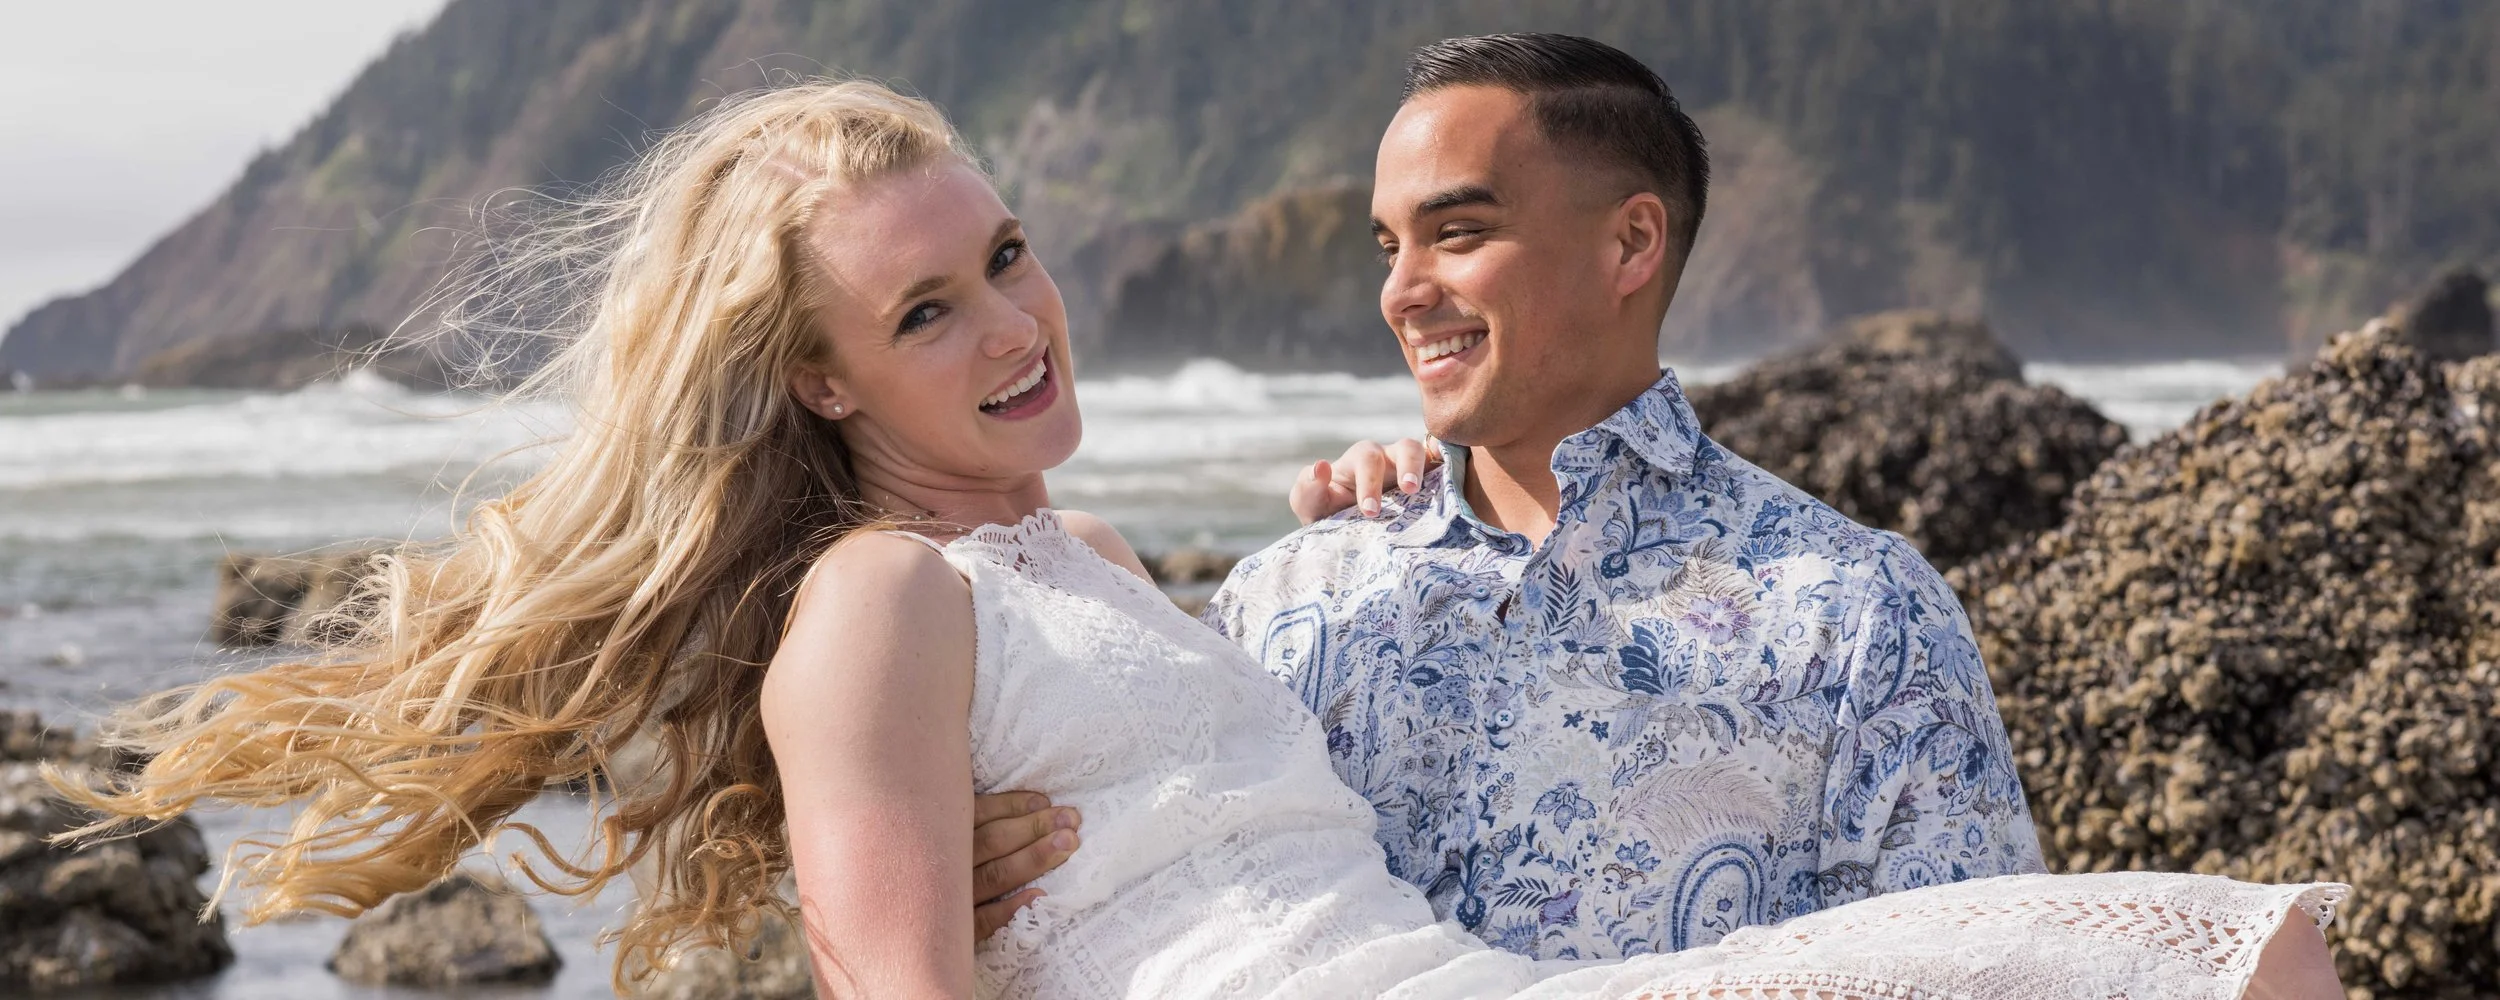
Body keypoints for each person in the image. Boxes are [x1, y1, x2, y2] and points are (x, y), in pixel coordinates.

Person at [57, 79, 2344, 999]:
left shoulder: (1113, 567)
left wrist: (1343, 523)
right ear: (820, 383)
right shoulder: (874, 597)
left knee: (2227, 955)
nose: (1013, 322)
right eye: (922, 311)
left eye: (1007, 254)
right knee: (2233, 959)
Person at [974, 32, 2051, 959]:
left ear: (1630, 242)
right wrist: (985, 886)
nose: (1400, 292)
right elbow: (1165, 910)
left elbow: (1980, 970)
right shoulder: (1286, 600)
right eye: (1389, 246)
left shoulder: (1857, 618)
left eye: (1456, 234)